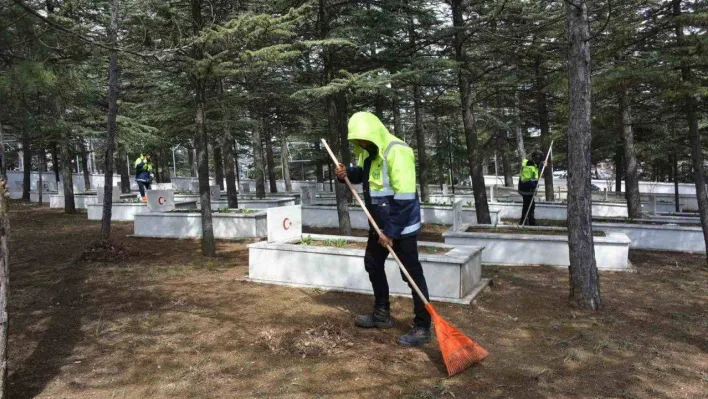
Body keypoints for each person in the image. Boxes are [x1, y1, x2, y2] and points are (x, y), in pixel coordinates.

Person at [335, 111, 431, 347]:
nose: (361, 144)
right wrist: (346, 173)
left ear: (374, 134)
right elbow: (365, 176)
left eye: (364, 140)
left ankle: (422, 326)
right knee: (373, 264)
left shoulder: (397, 151)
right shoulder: (370, 153)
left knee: (411, 274)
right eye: (358, 141)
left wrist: (391, 232)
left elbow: (405, 198)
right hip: (378, 227)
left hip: (401, 227)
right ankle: (381, 314)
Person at [518, 150, 544, 226]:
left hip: (524, 188)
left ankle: (524, 221)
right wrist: (534, 186)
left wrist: (542, 165)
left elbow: (536, 168)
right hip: (527, 189)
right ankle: (529, 223)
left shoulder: (526, 162)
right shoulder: (530, 166)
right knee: (529, 206)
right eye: (539, 160)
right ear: (535, 158)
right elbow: (531, 178)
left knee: (527, 205)